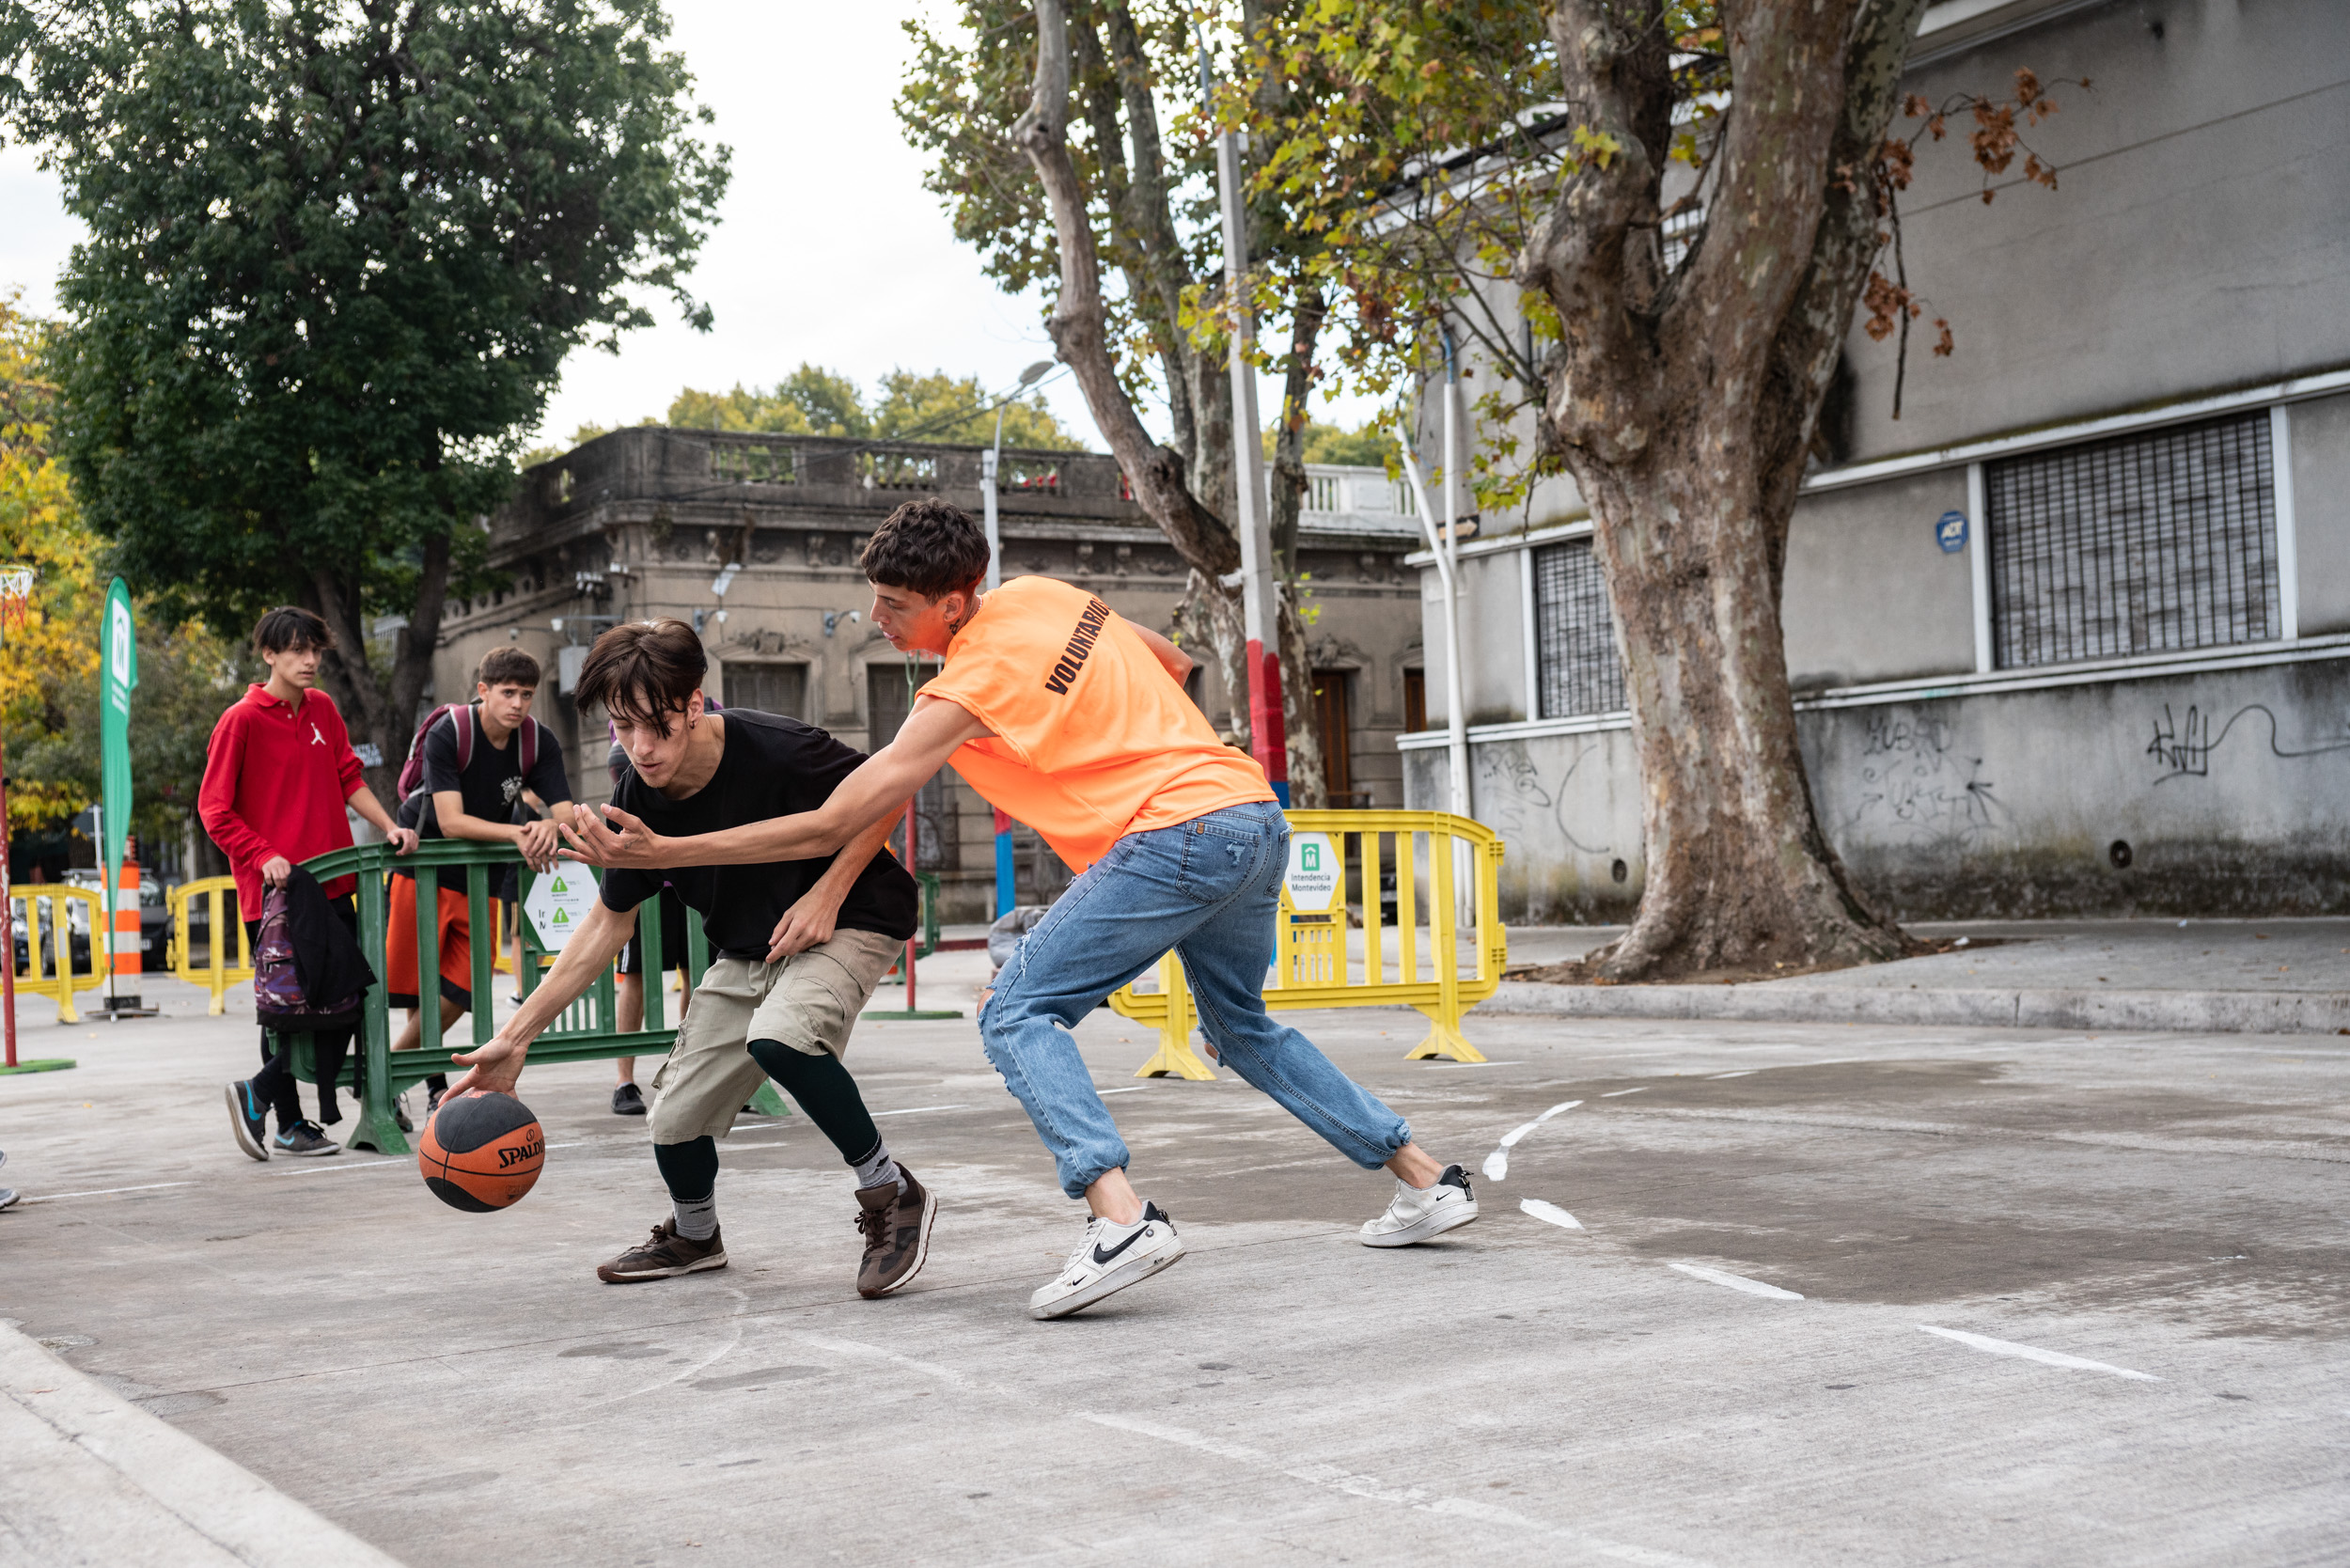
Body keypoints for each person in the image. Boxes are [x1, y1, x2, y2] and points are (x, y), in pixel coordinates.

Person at [559, 498, 1480, 1320]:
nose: (877, 618)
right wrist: (1097, 736)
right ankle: (1424, 1179)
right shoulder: (1045, 595)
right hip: (1248, 813)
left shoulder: (964, 684)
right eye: (874, 598)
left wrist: (664, 853)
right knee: (1241, 1029)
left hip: (1172, 834)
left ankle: (1120, 1219)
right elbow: (1173, 660)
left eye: (895, 604)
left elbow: (838, 819)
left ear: (954, 603)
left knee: (1015, 1011)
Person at [444, 619, 938, 1298]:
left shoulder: (779, 748)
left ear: (695, 704)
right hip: (751, 944)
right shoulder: (637, 796)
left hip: (851, 916)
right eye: (624, 728)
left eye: (659, 726)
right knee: (674, 1117)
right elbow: (606, 923)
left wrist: (827, 891)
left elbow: (890, 787)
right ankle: (696, 1234)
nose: (642, 748)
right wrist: (515, 1036)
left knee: (782, 1037)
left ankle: (889, 1191)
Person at [200, 605, 417, 1159]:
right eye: (298, 650)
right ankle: (286, 1120)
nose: (310, 660)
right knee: (285, 1008)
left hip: (335, 884)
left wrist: (390, 824)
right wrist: (263, 855)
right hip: (275, 896)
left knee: (346, 998)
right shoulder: (241, 720)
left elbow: (348, 777)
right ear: (269, 654)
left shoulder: (322, 708)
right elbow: (214, 810)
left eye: (315, 650)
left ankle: (262, 1096)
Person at [386, 647, 575, 1114]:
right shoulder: (450, 732)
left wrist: (549, 826)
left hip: (480, 874)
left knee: (466, 985)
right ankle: (429, 1083)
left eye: (526, 694)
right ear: (483, 691)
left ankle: (385, 1070)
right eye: (508, 692)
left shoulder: (537, 740)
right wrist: (520, 832)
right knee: (422, 985)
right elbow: (451, 821)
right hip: (423, 862)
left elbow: (566, 811)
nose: (518, 704)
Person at [605, 734, 694, 1116]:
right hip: (645, 878)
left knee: (701, 975)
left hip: (694, 873)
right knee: (636, 975)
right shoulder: (631, 727)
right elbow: (619, 763)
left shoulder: (711, 714)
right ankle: (624, 1080)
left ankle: (691, 1072)